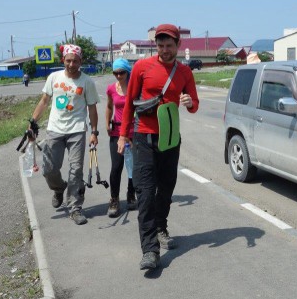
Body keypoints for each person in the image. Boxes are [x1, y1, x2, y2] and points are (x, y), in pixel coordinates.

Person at [118, 24, 199, 270]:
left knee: (165, 190)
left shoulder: (184, 72)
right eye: (161, 46)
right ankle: (150, 250)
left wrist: (188, 101)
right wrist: (123, 136)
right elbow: (130, 104)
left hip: (171, 140)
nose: (165, 50)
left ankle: (161, 226)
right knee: (145, 194)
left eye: (169, 46)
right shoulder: (142, 67)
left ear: (178, 46)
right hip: (144, 138)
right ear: (156, 45)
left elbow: (195, 103)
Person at [29, 44, 99, 225]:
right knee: (49, 169)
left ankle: (75, 208)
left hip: (77, 131)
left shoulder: (87, 82)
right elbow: (44, 101)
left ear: (80, 61)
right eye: (68, 60)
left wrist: (94, 132)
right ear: (63, 61)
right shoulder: (54, 77)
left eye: (75, 61)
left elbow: (92, 108)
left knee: (76, 170)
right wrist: (33, 122)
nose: (71, 64)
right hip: (54, 130)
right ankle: (59, 188)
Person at [105, 58, 137, 217]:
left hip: (134, 132)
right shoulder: (111, 89)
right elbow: (109, 106)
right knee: (116, 167)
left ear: (127, 71)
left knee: (133, 166)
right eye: (115, 73)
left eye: (121, 72)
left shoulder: (135, 87)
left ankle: (131, 194)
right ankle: (114, 199)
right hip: (117, 132)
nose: (118, 75)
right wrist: (107, 123)